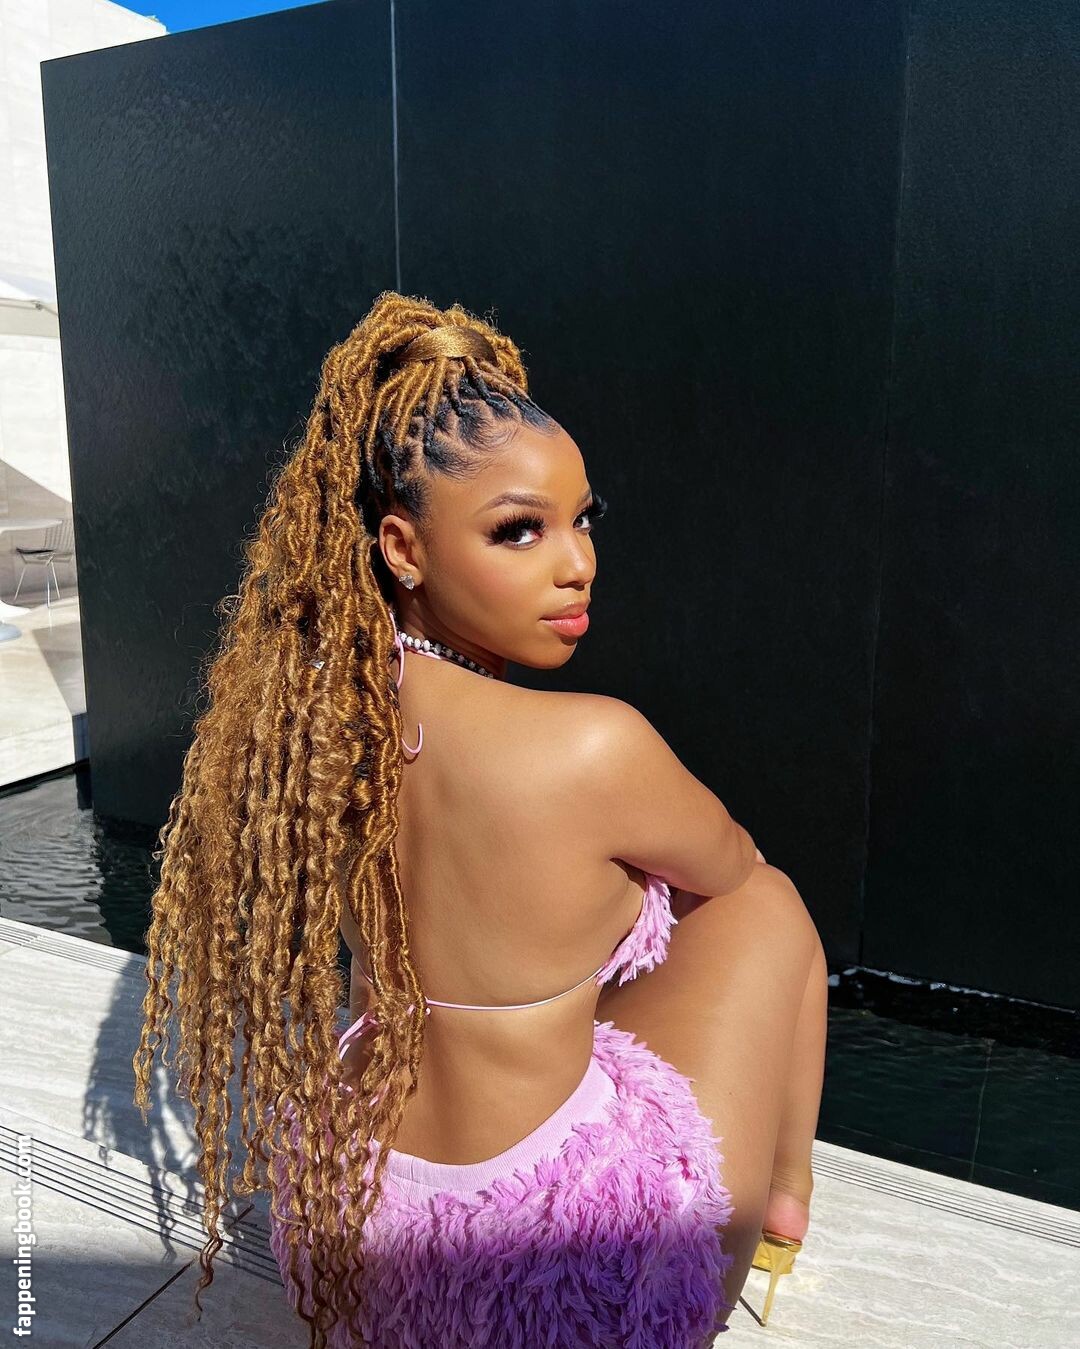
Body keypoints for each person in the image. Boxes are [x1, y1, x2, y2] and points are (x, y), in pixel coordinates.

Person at [132, 290, 827, 1348]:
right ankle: (780, 1210)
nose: (577, 562)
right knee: (770, 903)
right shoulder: (594, 744)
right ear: (403, 547)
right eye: (520, 529)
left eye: (584, 517)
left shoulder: (311, 724)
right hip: (564, 1286)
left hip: (361, 1245)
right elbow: (731, 867)